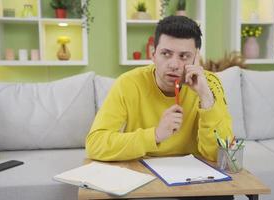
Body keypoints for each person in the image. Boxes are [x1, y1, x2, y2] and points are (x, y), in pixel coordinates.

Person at [86, 15, 233, 162]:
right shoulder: (128, 83)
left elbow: (223, 155)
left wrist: (206, 97)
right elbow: (95, 144)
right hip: (142, 172)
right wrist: (155, 135)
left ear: (196, 58)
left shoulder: (209, 84)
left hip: (193, 175)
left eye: (184, 56)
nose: (174, 64)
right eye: (166, 54)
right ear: (153, 54)